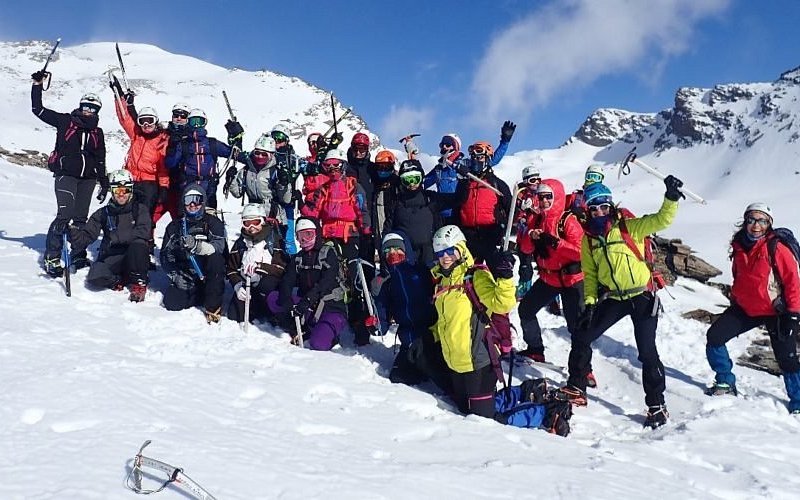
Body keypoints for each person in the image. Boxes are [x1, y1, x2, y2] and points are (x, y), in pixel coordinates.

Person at [558, 176, 685, 429]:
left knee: (647, 351)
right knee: (582, 335)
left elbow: (662, 219)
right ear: (588, 210)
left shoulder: (629, 227)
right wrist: (591, 303)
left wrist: (670, 198)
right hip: (614, 298)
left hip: (642, 295)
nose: (599, 212)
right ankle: (576, 387)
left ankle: (657, 405)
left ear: (611, 206)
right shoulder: (589, 240)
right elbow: (591, 275)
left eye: (603, 206)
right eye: (594, 208)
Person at [704, 203, 800, 413]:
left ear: (769, 224)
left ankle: (798, 402)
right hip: (746, 308)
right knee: (715, 337)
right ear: (745, 221)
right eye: (752, 220)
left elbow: (793, 282)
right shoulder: (739, 246)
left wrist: (793, 315)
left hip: (776, 311)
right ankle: (725, 382)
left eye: (762, 221)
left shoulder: (776, 247)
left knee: (787, 358)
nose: (756, 225)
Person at [429, 225, 516, 418]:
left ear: (460, 248)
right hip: (455, 364)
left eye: (450, 251)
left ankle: (539, 407)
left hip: (479, 362)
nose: (445, 257)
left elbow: (502, 304)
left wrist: (505, 277)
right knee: (463, 413)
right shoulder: (442, 282)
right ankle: (512, 396)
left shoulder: (474, 276)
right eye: (440, 253)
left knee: (484, 421)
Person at [31, 71, 107, 276]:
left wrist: (104, 182)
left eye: (93, 108)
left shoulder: (97, 132)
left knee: (80, 218)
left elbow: (100, 158)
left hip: (88, 179)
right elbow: (37, 110)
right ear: (80, 106)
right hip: (66, 175)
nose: (88, 111)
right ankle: (52, 257)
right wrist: (38, 85)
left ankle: (78, 253)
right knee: (64, 215)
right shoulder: (65, 121)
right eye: (86, 107)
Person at [300, 149, 373, 344]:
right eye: (327, 166)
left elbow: (361, 208)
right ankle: (324, 317)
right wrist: (303, 206)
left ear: (343, 165)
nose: (332, 169)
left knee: (354, 278)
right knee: (330, 276)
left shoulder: (352, 185)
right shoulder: (324, 188)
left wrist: (366, 229)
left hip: (349, 235)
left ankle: (360, 324)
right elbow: (313, 210)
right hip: (328, 237)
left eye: (335, 165)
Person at [515, 180, 584, 363]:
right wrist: (531, 236)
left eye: (548, 197)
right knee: (526, 310)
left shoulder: (568, 221)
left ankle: (584, 370)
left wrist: (556, 243)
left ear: (557, 197)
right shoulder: (538, 219)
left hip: (572, 280)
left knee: (577, 326)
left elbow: (582, 253)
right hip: (548, 278)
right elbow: (526, 250)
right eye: (541, 196)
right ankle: (535, 349)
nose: (544, 201)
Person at [374, 232, 447, 387]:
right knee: (398, 376)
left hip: (430, 333)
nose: (393, 254)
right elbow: (382, 324)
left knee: (432, 367)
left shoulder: (421, 271)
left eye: (397, 249)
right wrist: (373, 325)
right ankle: (423, 370)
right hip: (408, 338)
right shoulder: (385, 283)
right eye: (387, 251)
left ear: (405, 250)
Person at [67, 170, 151, 302]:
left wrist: (116, 238)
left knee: (139, 245)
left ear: (131, 190)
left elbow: (143, 232)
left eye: (126, 190)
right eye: (117, 191)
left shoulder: (140, 209)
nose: (121, 195)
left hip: (134, 254)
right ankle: (118, 280)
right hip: (113, 254)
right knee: (95, 276)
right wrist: (73, 233)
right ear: (112, 191)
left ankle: (138, 283)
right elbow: (87, 236)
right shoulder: (103, 213)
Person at [271, 217, 349, 350]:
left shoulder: (328, 254)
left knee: (319, 343)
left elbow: (326, 282)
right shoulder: (299, 257)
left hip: (331, 307)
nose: (304, 240)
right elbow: (287, 280)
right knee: (273, 298)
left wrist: (307, 301)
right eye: (300, 236)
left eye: (308, 234)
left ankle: (329, 334)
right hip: (306, 306)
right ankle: (298, 326)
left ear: (316, 233)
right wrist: (287, 300)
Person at [423, 121, 515, 224]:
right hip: (441, 214)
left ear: (455, 147)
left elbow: (491, 160)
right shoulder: (438, 169)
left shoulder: (466, 164)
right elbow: (422, 183)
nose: (444, 147)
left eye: (448, 144)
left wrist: (505, 142)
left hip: (459, 214)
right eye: (442, 145)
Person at [160, 184, 228, 323]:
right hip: (187, 274)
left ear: (202, 202)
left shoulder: (213, 223)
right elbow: (165, 255)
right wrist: (175, 276)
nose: (192, 204)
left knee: (216, 260)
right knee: (172, 303)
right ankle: (196, 294)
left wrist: (198, 247)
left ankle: (212, 306)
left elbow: (219, 248)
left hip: (208, 273)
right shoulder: (175, 226)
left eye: (196, 200)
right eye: (188, 200)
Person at [164, 108, 240, 210]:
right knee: (187, 219)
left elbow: (236, 154)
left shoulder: (212, 144)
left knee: (209, 219)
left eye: (199, 121)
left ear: (204, 123)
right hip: (187, 189)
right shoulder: (183, 145)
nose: (196, 125)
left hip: (209, 189)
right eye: (193, 122)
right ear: (188, 123)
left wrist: (237, 139)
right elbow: (170, 164)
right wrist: (172, 146)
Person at [225, 203, 286, 323]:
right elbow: (231, 269)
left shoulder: (273, 240)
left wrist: (260, 267)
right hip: (247, 284)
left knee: (267, 286)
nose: (251, 227)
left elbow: (281, 269)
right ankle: (253, 308)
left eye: (256, 222)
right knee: (234, 315)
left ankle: (268, 310)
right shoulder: (240, 243)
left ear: (263, 221)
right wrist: (237, 285)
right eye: (247, 223)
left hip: (267, 285)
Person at [455, 141, 513, 263]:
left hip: (491, 236)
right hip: (469, 237)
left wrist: (505, 232)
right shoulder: (465, 184)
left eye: (480, 157)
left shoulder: (497, 184)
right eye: (474, 158)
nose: (477, 161)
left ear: (487, 159)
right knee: (471, 277)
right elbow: (457, 204)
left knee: (494, 275)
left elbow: (511, 210)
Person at [385, 159, 447, 267]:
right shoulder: (396, 203)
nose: (412, 184)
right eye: (407, 180)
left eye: (415, 179)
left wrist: (464, 180)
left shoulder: (431, 198)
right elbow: (388, 228)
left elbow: (457, 199)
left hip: (430, 253)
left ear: (422, 178)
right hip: (405, 253)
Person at [154, 103, 191, 222]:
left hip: (181, 183)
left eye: (183, 116)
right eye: (176, 115)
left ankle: (180, 240)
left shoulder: (191, 136)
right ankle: (146, 240)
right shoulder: (163, 133)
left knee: (180, 218)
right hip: (161, 182)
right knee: (151, 216)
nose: (179, 118)